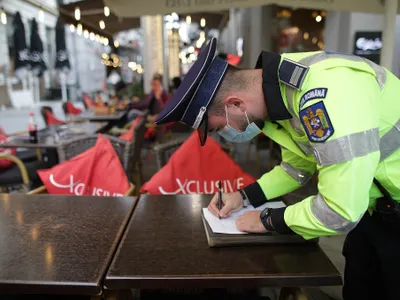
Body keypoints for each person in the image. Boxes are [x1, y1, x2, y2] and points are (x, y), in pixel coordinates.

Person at [155, 38, 400, 300]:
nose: (230, 134)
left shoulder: (323, 96)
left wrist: (267, 220)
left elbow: (339, 210)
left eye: (219, 128)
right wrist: (244, 196)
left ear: (236, 104)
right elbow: (296, 170)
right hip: (374, 209)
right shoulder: (282, 98)